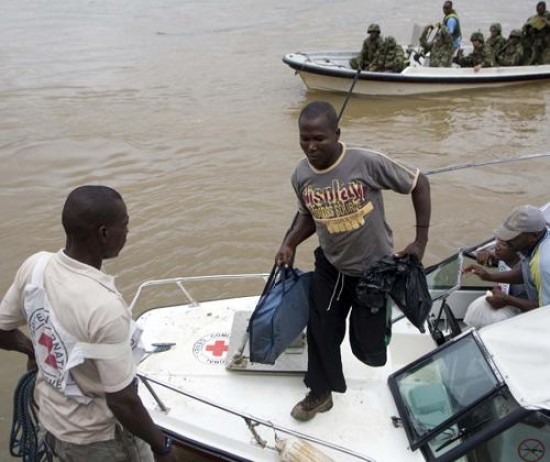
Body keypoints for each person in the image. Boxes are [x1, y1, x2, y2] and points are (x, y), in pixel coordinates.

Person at [276, 101, 431, 422]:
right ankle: (320, 393)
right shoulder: (301, 175)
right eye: (304, 138)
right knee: (321, 330)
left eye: (319, 138)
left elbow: (419, 182)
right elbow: (308, 216)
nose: (311, 146)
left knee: (369, 350)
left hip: (373, 271)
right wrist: (289, 243)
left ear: (337, 134)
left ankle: (373, 333)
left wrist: (420, 240)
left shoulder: (367, 163)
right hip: (332, 267)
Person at [0, 186, 175, 462]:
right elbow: (122, 401)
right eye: (125, 225)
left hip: (53, 423)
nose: (127, 232)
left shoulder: (36, 267)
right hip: (100, 441)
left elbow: (3, 330)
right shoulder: (104, 308)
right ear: (104, 233)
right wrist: (161, 446)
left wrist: (33, 349)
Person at [463, 204, 550, 316]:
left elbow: (546, 312)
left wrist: (508, 300)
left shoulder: (542, 264)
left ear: (533, 236)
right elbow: (528, 273)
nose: (505, 240)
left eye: (512, 237)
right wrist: (488, 276)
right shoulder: (535, 242)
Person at [463, 239, 533, 330]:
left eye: (504, 245)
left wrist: (508, 300)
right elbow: (485, 255)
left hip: (523, 318)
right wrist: (486, 255)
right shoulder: (503, 259)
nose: (497, 248)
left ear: (517, 248)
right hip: (505, 306)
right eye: (497, 242)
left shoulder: (528, 270)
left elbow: (541, 307)